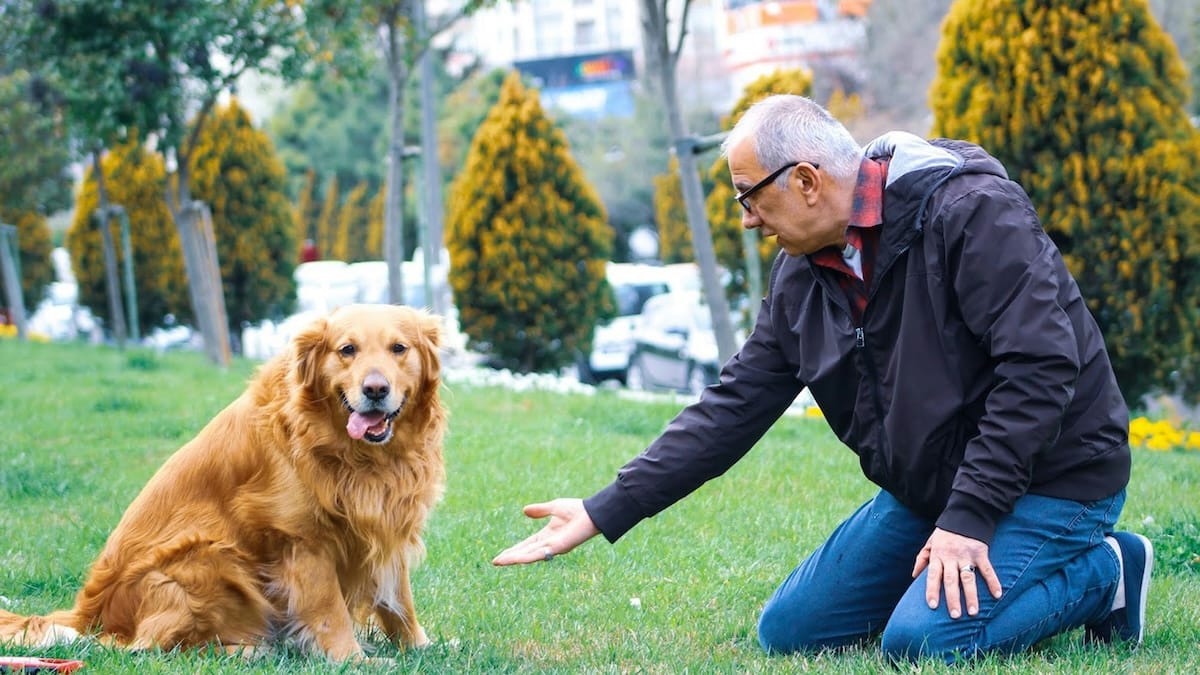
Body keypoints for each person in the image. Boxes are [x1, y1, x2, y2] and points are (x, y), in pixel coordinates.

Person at [492, 95, 1152, 664]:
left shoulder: (971, 212)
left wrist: (969, 519)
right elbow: (734, 406)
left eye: (750, 196)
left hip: (1054, 479)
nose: (747, 219)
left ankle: (1107, 572)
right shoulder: (801, 276)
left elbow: (1041, 366)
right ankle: (969, 564)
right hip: (929, 491)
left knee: (923, 644)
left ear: (807, 180)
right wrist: (606, 507)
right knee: (790, 631)